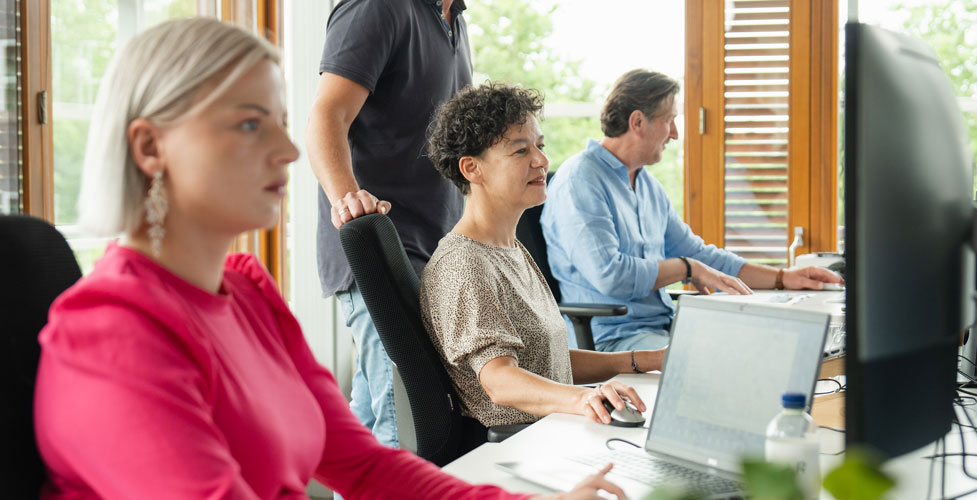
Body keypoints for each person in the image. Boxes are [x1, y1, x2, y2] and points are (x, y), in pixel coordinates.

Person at [33, 18, 623, 500]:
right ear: (149, 147)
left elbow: (368, 468)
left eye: (283, 123)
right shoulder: (111, 330)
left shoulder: (248, 294)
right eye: (248, 123)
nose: (289, 151)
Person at [541, 69, 843, 353]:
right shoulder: (580, 180)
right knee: (734, 360)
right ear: (637, 122)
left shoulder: (646, 185)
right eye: (669, 120)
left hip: (664, 328)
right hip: (615, 342)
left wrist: (783, 277)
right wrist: (686, 268)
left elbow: (700, 255)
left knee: (772, 342)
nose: (674, 133)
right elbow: (611, 276)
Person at [421, 82, 666, 430]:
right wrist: (583, 398)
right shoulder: (463, 264)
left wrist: (645, 360)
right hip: (522, 446)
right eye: (521, 151)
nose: (542, 160)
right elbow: (499, 380)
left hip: (553, 429)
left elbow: (546, 361)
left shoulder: (509, 249)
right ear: (472, 169)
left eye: (540, 145)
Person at [305, 0, 472, 449]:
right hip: (384, 251)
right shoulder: (379, 6)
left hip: (432, 249)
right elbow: (327, 115)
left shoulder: (454, 19)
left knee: (374, 425)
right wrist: (346, 201)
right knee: (404, 432)